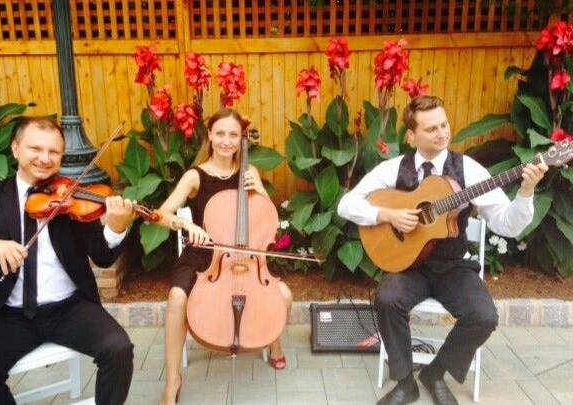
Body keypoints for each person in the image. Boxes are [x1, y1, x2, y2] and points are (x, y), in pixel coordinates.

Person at [337, 96, 547, 405]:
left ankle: (435, 373)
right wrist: (388, 215)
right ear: (411, 135)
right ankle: (405, 382)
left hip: (453, 266)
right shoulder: (393, 168)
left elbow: (507, 224)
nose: (442, 133)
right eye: (431, 128)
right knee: (387, 298)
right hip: (410, 266)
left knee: (484, 316)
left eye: (444, 125)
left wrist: (526, 191)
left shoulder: (469, 170)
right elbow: (346, 204)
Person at [0, 117, 137, 405]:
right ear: (16, 148)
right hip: (6, 314)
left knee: (119, 348)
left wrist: (117, 227)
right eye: (36, 149)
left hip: (69, 308)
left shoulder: (70, 197)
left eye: (54, 152)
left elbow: (103, 257)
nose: (45, 159)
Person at [157, 108, 293, 405]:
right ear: (210, 136)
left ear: (241, 138)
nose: (227, 141)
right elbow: (162, 214)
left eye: (233, 134)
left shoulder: (249, 172)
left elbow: (267, 218)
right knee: (177, 298)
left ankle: (274, 342)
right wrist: (187, 224)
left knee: (282, 294)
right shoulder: (196, 175)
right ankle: (172, 381)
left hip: (246, 255)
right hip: (205, 254)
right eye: (221, 133)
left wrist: (262, 192)